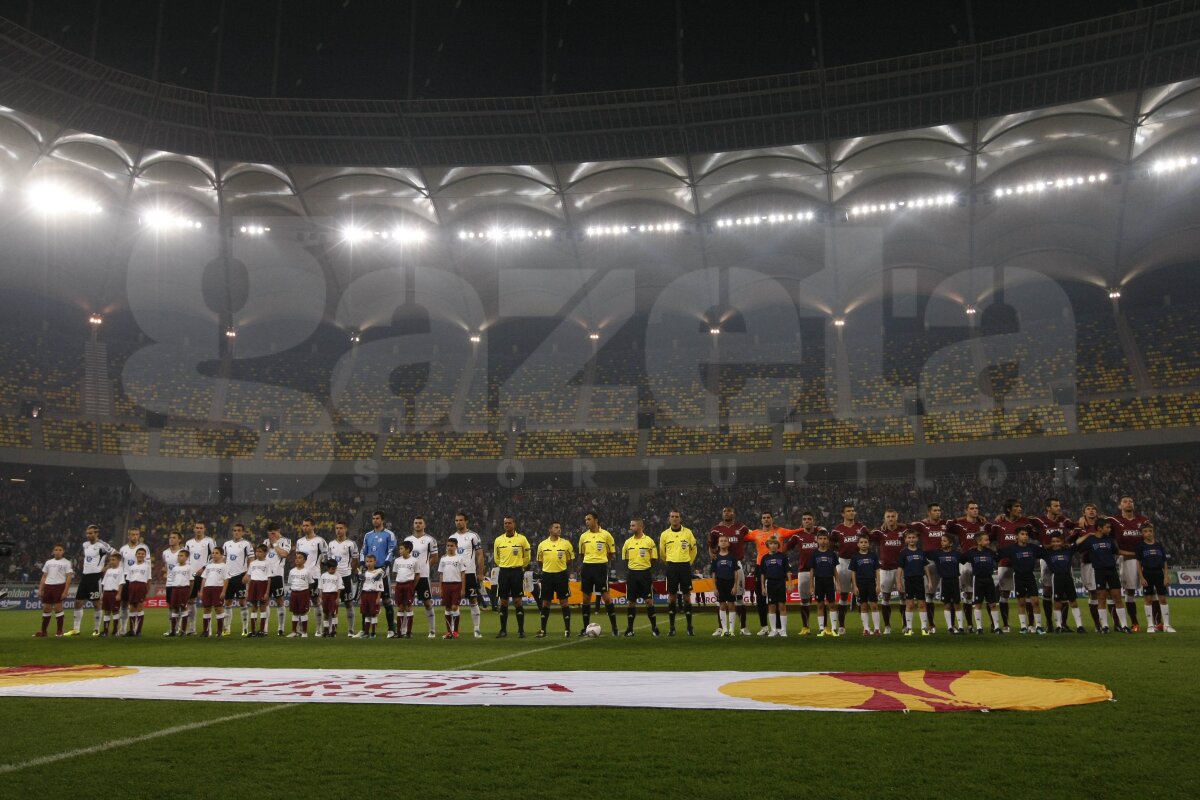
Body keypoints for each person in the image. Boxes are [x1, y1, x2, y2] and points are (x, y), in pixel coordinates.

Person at [745, 512, 801, 635]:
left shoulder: (780, 531)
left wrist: (808, 528)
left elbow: (794, 532)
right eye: (764, 517)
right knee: (760, 597)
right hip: (761, 566)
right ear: (761, 520)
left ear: (772, 519)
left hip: (777, 567)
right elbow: (741, 538)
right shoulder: (755, 533)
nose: (766, 519)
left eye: (768, 517)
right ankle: (764, 627)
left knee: (778, 601)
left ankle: (779, 628)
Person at [1074, 518, 1128, 633]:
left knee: (1117, 597)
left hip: (1112, 570)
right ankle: (1105, 626)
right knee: (1101, 598)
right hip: (1099, 571)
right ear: (1099, 528)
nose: (1109, 529)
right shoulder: (1090, 540)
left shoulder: (1110, 539)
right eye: (1107, 527)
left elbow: (1116, 552)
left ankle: (1124, 625)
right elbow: (1077, 545)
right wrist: (1088, 535)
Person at [1029, 498, 1073, 631]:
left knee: (1065, 591)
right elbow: (1025, 521)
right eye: (1055, 506)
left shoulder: (1064, 520)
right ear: (1048, 508)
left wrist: (1069, 540)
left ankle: (1063, 624)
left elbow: (1076, 527)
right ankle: (1049, 624)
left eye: (1059, 505)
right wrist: (1038, 538)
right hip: (1047, 558)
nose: (1058, 508)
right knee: (1047, 590)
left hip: (1063, 558)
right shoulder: (1040, 520)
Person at [708, 506, 751, 635]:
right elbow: (710, 545)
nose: (727, 513)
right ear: (722, 514)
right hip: (721, 565)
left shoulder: (741, 527)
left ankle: (743, 628)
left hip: (736, 564)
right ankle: (721, 628)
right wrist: (711, 555)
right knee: (720, 600)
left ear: (734, 513)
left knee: (738, 598)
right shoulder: (716, 529)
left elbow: (753, 534)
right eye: (724, 511)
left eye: (729, 511)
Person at [990, 499, 1029, 632]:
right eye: (1017, 506)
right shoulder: (999, 523)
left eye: (1020, 506)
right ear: (1008, 509)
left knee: (1027, 594)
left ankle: (1030, 624)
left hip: (1023, 563)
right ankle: (1006, 624)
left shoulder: (1025, 522)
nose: (1020, 509)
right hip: (1005, 563)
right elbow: (988, 538)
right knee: (1004, 593)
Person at [67, 524, 113, 637]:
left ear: (96, 533)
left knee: (96, 603)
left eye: (91, 533)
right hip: (85, 576)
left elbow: (116, 555)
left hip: (96, 577)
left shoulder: (102, 545)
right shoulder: (85, 545)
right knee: (78, 602)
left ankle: (96, 629)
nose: (88, 535)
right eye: (87, 533)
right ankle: (76, 629)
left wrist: (106, 567)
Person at [577, 512, 618, 637]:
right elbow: (581, 554)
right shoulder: (583, 536)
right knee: (586, 599)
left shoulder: (606, 535)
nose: (587, 522)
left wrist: (600, 560)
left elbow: (611, 553)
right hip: (587, 567)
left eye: (589, 519)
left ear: (596, 520)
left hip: (600, 568)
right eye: (585, 520)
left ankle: (614, 628)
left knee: (606, 598)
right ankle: (585, 628)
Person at [908, 503, 947, 630]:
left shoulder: (946, 524)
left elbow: (962, 522)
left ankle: (952, 625)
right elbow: (906, 526)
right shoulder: (922, 525)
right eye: (935, 510)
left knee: (950, 594)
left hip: (946, 561)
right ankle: (931, 624)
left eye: (939, 510)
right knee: (929, 594)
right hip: (929, 562)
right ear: (929, 513)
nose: (938, 512)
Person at [1112, 496, 1149, 632]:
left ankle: (1157, 623)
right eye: (1125, 501)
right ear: (1120, 506)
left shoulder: (1143, 520)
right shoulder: (1114, 520)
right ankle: (1134, 622)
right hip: (1127, 560)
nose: (1129, 503)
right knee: (1130, 591)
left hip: (1145, 559)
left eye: (1131, 501)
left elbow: (1150, 536)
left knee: (1152, 590)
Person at [948, 501, 986, 633]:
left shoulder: (983, 524)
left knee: (979, 596)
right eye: (972, 508)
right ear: (966, 510)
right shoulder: (960, 524)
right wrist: (960, 518)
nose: (975, 510)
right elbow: (947, 525)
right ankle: (969, 625)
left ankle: (984, 625)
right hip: (965, 562)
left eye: (976, 508)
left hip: (980, 562)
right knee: (966, 594)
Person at [832, 503, 868, 635]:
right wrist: (840, 550)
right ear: (843, 514)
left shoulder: (861, 527)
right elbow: (831, 544)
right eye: (848, 511)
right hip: (843, 563)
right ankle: (841, 626)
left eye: (853, 510)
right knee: (843, 596)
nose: (852, 513)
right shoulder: (837, 530)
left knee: (861, 596)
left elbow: (870, 539)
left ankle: (865, 627)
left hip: (859, 563)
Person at [660, 510, 698, 637]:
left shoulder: (688, 533)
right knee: (671, 597)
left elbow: (694, 549)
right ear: (669, 519)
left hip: (685, 566)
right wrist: (669, 563)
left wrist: (689, 562)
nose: (675, 519)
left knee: (687, 597)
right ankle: (672, 628)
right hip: (671, 566)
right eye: (672, 517)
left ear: (680, 519)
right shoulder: (664, 534)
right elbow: (662, 553)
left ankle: (689, 627)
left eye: (677, 517)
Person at [448, 511, 486, 638]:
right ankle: (453, 630)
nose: (458, 522)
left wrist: (480, 573)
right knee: (454, 602)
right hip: (455, 575)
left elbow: (480, 554)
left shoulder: (473, 536)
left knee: (473, 600)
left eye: (460, 520)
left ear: (466, 521)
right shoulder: (452, 537)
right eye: (456, 520)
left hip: (469, 573)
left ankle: (476, 629)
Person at [493, 515, 531, 638]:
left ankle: (521, 630)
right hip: (503, 572)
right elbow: (496, 557)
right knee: (503, 601)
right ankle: (503, 630)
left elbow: (527, 557)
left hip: (517, 572)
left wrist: (520, 566)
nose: (507, 525)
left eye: (509, 523)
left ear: (514, 524)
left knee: (517, 601)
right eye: (505, 523)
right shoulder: (498, 540)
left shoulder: (522, 539)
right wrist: (504, 565)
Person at [869, 510, 907, 634]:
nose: (890, 519)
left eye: (893, 516)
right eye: (888, 517)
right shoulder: (880, 532)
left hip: (901, 569)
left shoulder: (904, 530)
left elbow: (915, 531)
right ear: (884, 519)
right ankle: (887, 626)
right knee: (885, 597)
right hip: (885, 569)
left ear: (897, 517)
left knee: (903, 597)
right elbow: (868, 535)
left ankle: (905, 625)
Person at [621, 516, 659, 637]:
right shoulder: (627, 542)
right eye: (630, 525)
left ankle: (654, 628)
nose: (630, 527)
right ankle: (630, 629)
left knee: (649, 601)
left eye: (633, 525)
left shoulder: (649, 541)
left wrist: (644, 567)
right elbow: (625, 560)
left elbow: (654, 559)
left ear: (640, 526)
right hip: (632, 574)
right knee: (631, 602)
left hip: (645, 574)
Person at [1041, 532, 1086, 633]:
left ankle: (1079, 626)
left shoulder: (1068, 550)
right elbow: (1037, 548)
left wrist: (1088, 535)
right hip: (1056, 577)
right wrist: (1048, 546)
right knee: (1057, 602)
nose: (1056, 543)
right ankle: (1058, 626)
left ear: (1062, 542)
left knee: (1073, 601)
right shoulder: (1047, 553)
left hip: (1068, 577)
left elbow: (1077, 542)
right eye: (1053, 542)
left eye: (1058, 541)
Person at [362, 511, 398, 637]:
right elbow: (363, 550)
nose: (375, 520)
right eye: (373, 518)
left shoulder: (389, 534)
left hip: (382, 570)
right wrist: (362, 565)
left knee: (387, 600)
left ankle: (391, 630)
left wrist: (385, 566)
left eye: (377, 518)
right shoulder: (368, 535)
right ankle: (365, 631)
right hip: (369, 572)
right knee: (366, 600)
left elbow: (391, 550)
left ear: (382, 520)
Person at [536, 521, 575, 638]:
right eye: (556, 527)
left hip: (561, 575)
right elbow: (539, 561)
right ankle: (543, 630)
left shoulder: (566, 544)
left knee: (564, 602)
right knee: (546, 602)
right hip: (547, 575)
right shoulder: (542, 545)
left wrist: (560, 567)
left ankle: (567, 630)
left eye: (560, 527)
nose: (559, 529)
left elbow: (570, 560)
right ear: (550, 529)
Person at [789, 512, 825, 635]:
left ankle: (823, 627)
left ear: (813, 520)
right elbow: (785, 548)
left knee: (821, 601)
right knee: (804, 601)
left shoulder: (820, 533)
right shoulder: (797, 536)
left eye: (809, 519)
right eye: (804, 519)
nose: (807, 521)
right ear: (802, 521)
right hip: (804, 572)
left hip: (820, 572)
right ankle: (806, 627)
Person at [404, 516, 440, 639]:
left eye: (420, 523)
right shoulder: (407, 539)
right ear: (413, 525)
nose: (418, 525)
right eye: (416, 523)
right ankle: (406, 630)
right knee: (407, 603)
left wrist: (425, 567)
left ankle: (432, 630)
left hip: (423, 576)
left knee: (427, 603)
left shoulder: (430, 540)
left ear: (424, 525)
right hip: (409, 576)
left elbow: (435, 557)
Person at [1136, 522, 1174, 633]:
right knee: (1148, 599)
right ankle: (1150, 625)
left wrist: (1166, 576)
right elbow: (1138, 563)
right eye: (1146, 531)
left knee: (1162, 598)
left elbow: (1164, 562)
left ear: (1153, 532)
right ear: (1142, 533)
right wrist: (1141, 577)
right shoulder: (1141, 546)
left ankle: (1167, 625)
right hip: (1147, 573)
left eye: (1150, 531)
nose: (1148, 533)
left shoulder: (1159, 545)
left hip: (1159, 573)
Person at [962, 532, 1003, 634]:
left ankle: (997, 627)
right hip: (978, 580)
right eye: (986, 540)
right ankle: (979, 628)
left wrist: (999, 550)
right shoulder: (971, 553)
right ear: (979, 542)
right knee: (978, 604)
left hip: (989, 579)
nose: (988, 541)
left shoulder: (990, 552)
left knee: (993, 604)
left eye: (988, 539)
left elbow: (998, 558)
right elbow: (961, 559)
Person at [1073, 503, 1104, 630]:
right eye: (1088, 509)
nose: (1091, 511)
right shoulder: (1080, 527)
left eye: (1094, 509)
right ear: (1083, 513)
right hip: (1088, 562)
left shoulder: (1103, 525)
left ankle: (1115, 624)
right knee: (1093, 593)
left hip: (1103, 563)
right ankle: (1097, 625)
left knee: (1107, 593)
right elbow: (1073, 543)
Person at [296, 517, 329, 635]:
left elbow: (326, 558)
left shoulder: (320, 541)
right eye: (303, 525)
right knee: (301, 603)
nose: (305, 527)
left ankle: (318, 629)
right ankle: (300, 629)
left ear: (313, 526)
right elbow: (298, 559)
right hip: (301, 577)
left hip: (314, 575)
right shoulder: (299, 541)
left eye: (307, 525)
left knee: (316, 601)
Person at [328, 522, 360, 638]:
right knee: (333, 604)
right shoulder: (331, 544)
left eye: (341, 528)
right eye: (336, 528)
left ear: (345, 529)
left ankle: (351, 630)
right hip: (333, 578)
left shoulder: (351, 544)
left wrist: (352, 572)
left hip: (346, 576)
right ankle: (333, 630)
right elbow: (329, 561)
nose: (338, 530)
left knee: (348, 603)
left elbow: (355, 559)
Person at [35, 543, 73, 637]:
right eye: (56, 550)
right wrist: (40, 589)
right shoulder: (48, 562)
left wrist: (65, 591)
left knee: (58, 608)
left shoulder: (66, 562)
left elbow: (69, 577)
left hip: (59, 586)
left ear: (63, 552)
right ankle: (43, 632)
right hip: (48, 587)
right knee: (46, 609)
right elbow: (44, 576)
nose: (58, 551)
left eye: (60, 550)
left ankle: (60, 631)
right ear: (53, 552)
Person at [222, 523, 254, 637]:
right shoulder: (227, 544)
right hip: (229, 577)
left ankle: (245, 629)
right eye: (234, 530)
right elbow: (224, 560)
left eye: (239, 530)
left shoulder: (246, 544)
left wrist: (248, 574)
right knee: (227, 602)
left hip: (241, 576)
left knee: (242, 602)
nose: (236, 532)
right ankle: (227, 629)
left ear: (243, 532)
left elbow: (251, 559)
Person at [119, 527, 151, 635]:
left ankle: (137, 629)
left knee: (138, 604)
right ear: (129, 536)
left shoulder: (144, 548)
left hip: (139, 580)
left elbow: (148, 564)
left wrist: (147, 584)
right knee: (124, 604)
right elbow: (120, 565)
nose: (135, 536)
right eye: (132, 534)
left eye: (137, 534)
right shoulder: (123, 549)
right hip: (126, 579)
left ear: (139, 535)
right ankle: (123, 628)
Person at [185, 522, 215, 636]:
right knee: (190, 601)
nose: (198, 530)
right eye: (197, 528)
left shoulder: (209, 542)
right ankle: (192, 628)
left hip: (204, 576)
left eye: (201, 528)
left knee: (207, 603)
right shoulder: (189, 543)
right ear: (194, 529)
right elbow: (186, 558)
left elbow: (214, 556)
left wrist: (203, 568)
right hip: (191, 577)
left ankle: (208, 629)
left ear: (204, 529)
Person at [710, 534, 743, 637]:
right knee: (722, 605)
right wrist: (714, 587)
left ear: (728, 544)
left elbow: (736, 572)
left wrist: (735, 586)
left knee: (732, 605)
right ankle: (725, 630)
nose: (723, 542)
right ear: (718, 544)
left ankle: (732, 630)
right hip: (720, 583)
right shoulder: (715, 558)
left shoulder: (732, 557)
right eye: (721, 541)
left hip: (730, 583)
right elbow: (713, 574)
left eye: (725, 540)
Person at [807, 532, 839, 637]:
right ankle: (821, 629)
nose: (823, 540)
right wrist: (811, 585)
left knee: (832, 604)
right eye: (820, 538)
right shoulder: (814, 554)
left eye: (825, 538)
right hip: (819, 581)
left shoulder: (832, 554)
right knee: (820, 604)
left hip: (829, 581)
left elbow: (835, 570)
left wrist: (838, 583)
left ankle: (834, 628)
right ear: (817, 540)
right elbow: (812, 571)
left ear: (828, 540)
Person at [849, 533, 882, 635]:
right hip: (860, 583)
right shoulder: (855, 557)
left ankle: (877, 629)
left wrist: (878, 584)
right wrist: (854, 586)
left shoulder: (873, 556)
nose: (863, 544)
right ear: (858, 544)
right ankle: (866, 629)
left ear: (869, 544)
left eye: (865, 542)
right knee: (863, 606)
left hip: (871, 582)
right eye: (861, 542)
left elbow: (877, 570)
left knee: (874, 605)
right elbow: (853, 572)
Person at [759, 537, 792, 637]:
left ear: (778, 545)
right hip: (770, 583)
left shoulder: (783, 557)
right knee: (771, 606)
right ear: (767, 545)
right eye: (771, 543)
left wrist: (790, 583)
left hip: (781, 582)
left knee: (782, 606)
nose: (773, 545)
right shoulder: (764, 558)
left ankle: (783, 630)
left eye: (775, 543)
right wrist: (763, 587)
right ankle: (773, 630)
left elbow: (788, 571)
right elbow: (762, 574)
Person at [899, 530, 930, 636]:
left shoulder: (921, 552)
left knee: (922, 604)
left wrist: (929, 581)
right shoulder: (903, 553)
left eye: (913, 537)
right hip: (908, 580)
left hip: (920, 580)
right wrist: (898, 582)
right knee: (910, 604)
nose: (911, 539)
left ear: (917, 539)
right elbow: (900, 568)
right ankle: (909, 628)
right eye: (909, 537)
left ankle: (924, 628)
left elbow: (925, 567)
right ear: (906, 540)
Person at [933, 534, 964, 634]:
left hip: (955, 580)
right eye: (942, 540)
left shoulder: (957, 554)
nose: (942, 542)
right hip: (944, 581)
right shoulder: (937, 554)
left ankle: (960, 627)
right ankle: (950, 627)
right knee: (946, 604)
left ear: (951, 543)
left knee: (957, 604)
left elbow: (966, 560)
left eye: (944, 541)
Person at [264, 523, 292, 636]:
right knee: (264, 602)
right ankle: (264, 629)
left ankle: (280, 628)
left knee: (280, 601)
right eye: (269, 533)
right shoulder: (265, 542)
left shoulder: (286, 541)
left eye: (273, 533)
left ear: (278, 531)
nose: (271, 535)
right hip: (265, 576)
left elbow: (284, 554)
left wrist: (275, 544)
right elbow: (261, 556)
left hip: (277, 575)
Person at [438, 538, 468, 639]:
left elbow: (463, 574)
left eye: (452, 546)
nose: (450, 547)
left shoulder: (460, 558)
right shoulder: (443, 559)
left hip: (456, 585)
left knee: (454, 607)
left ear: (456, 547)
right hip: (446, 585)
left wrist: (463, 589)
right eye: (448, 546)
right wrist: (441, 588)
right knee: (447, 608)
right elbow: (441, 574)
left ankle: (455, 631)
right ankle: (449, 632)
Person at [199, 548, 230, 637]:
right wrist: (201, 591)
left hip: (218, 588)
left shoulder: (224, 566)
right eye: (213, 553)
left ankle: (219, 631)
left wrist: (223, 592)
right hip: (207, 589)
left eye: (216, 553)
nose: (214, 554)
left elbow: (226, 580)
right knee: (206, 609)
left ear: (221, 555)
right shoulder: (208, 566)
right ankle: (206, 631)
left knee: (218, 609)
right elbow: (204, 578)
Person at [393, 540, 418, 638]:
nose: (400, 550)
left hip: (409, 585)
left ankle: (408, 632)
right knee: (400, 607)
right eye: (399, 549)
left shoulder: (414, 560)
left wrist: (413, 586)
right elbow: (395, 573)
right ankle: (399, 632)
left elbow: (417, 574)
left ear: (408, 550)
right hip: (399, 585)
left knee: (408, 607)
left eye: (401, 549)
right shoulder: (397, 560)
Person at [356, 555, 386, 639]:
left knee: (373, 614)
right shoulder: (364, 573)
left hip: (373, 594)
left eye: (371, 561)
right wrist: (360, 597)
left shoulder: (378, 573)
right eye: (367, 561)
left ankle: (373, 633)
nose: (369, 563)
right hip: (365, 594)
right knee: (366, 614)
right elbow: (361, 586)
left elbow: (380, 586)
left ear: (375, 562)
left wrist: (378, 598)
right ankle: (366, 632)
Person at [245, 544, 271, 637]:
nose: (257, 553)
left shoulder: (267, 563)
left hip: (262, 584)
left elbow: (269, 579)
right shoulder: (252, 563)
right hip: (253, 584)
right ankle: (253, 631)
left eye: (260, 551)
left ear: (265, 553)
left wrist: (267, 592)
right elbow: (249, 577)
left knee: (263, 606)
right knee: (254, 606)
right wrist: (247, 590)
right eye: (257, 551)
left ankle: (262, 630)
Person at [164, 549, 192, 637]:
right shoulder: (175, 568)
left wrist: (189, 592)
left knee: (184, 609)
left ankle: (183, 631)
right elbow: (173, 579)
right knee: (174, 609)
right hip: (175, 589)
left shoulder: (189, 567)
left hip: (184, 589)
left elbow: (191, 581)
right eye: (179, 555)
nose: (179, 557)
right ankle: (173, 631)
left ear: (186, 557)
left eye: (181, 555)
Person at [125, 547, 152, 637]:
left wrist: (147, 591)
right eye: (139, 553)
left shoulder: (147, 566)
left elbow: (148, 580)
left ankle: (138, 631)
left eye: (142, 554)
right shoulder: (131, 566)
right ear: (136, 555)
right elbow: (129, 579)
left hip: (141, 586)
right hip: (132, 586)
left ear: (144, 556)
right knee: (132, 608)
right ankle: (132, 630)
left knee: (140, 607)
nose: (140, 555)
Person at [287, 552, 312, 637]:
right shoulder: (292, 571)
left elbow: (310, 583)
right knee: (295, 613)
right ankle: (294, 631)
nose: (297, 559)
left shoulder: (307, 571)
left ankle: (304, 632)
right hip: (294, 593)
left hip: (303, 593)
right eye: (296, 557)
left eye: (300, 558)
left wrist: (308, 595)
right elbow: (290, 582)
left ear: (304, 560)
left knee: (303, 612)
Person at [99, 552, 123, 637]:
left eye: (113, 560)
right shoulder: (108, 570)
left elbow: (121, 583)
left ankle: (115, 631)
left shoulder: (120, 570)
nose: (111, 561)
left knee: (115, 611)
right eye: (110, 560)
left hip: (114, 592)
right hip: (106, 592)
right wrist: (102, 594)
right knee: (106, 611)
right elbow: (104, 583)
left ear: (118, 561)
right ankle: (105, 631)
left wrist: (119, 594)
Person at [318, 558, 342, 638]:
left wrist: (337, 598)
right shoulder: (323, 576)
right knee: (326, 613)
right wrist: (321, 598)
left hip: (333, 595)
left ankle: (334, 631)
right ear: (328, 568)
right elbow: (321, 587)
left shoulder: (338, 576)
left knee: (334, 613)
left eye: (335, 568)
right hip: (325, 595)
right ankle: (326, 630)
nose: (334, 570)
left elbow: (339, 588)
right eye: (332, 569)